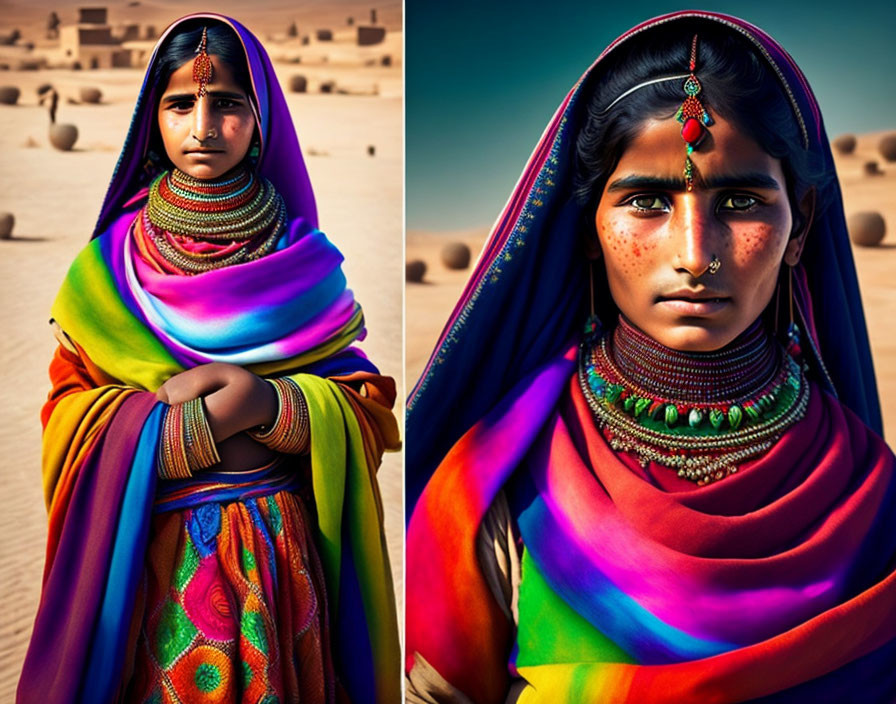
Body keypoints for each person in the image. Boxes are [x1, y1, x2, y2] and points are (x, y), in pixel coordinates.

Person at [406, 10, 896, 703]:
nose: (695, 255)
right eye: (646, 200)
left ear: (801, 226)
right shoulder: (492, 486)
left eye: (740, 200)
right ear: (589, 228)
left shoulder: (871, 496)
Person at [18, 14, 400, 704]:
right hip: (152, 559)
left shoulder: (300, 262)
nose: (203, 125)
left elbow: (366, 407)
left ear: (260, 122)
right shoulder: (109, 271)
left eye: (227, 103)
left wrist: (270, 405)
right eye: (180, 103)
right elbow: (65, 417)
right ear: (151, 118)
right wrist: (183, 434)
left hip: (281, 561)